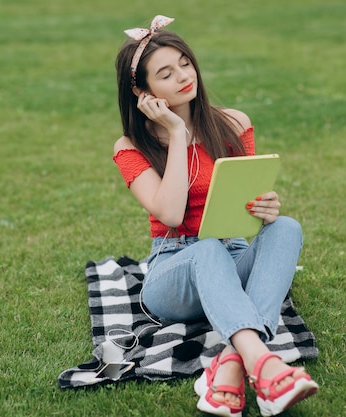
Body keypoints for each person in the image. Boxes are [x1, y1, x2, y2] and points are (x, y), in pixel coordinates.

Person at [113, 15, 319, 417]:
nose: (182, 77)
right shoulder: (130, 146)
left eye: (185, 63)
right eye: (165, 74)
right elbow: (171, 213)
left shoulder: (233, 123)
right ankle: (266, 365)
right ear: (142, 90)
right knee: (207, 249)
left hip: (233, 250)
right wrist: (175, 133)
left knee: (286, 227)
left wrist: (265, 208)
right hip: (174, 269)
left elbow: (244, 199)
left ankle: (230, 365)